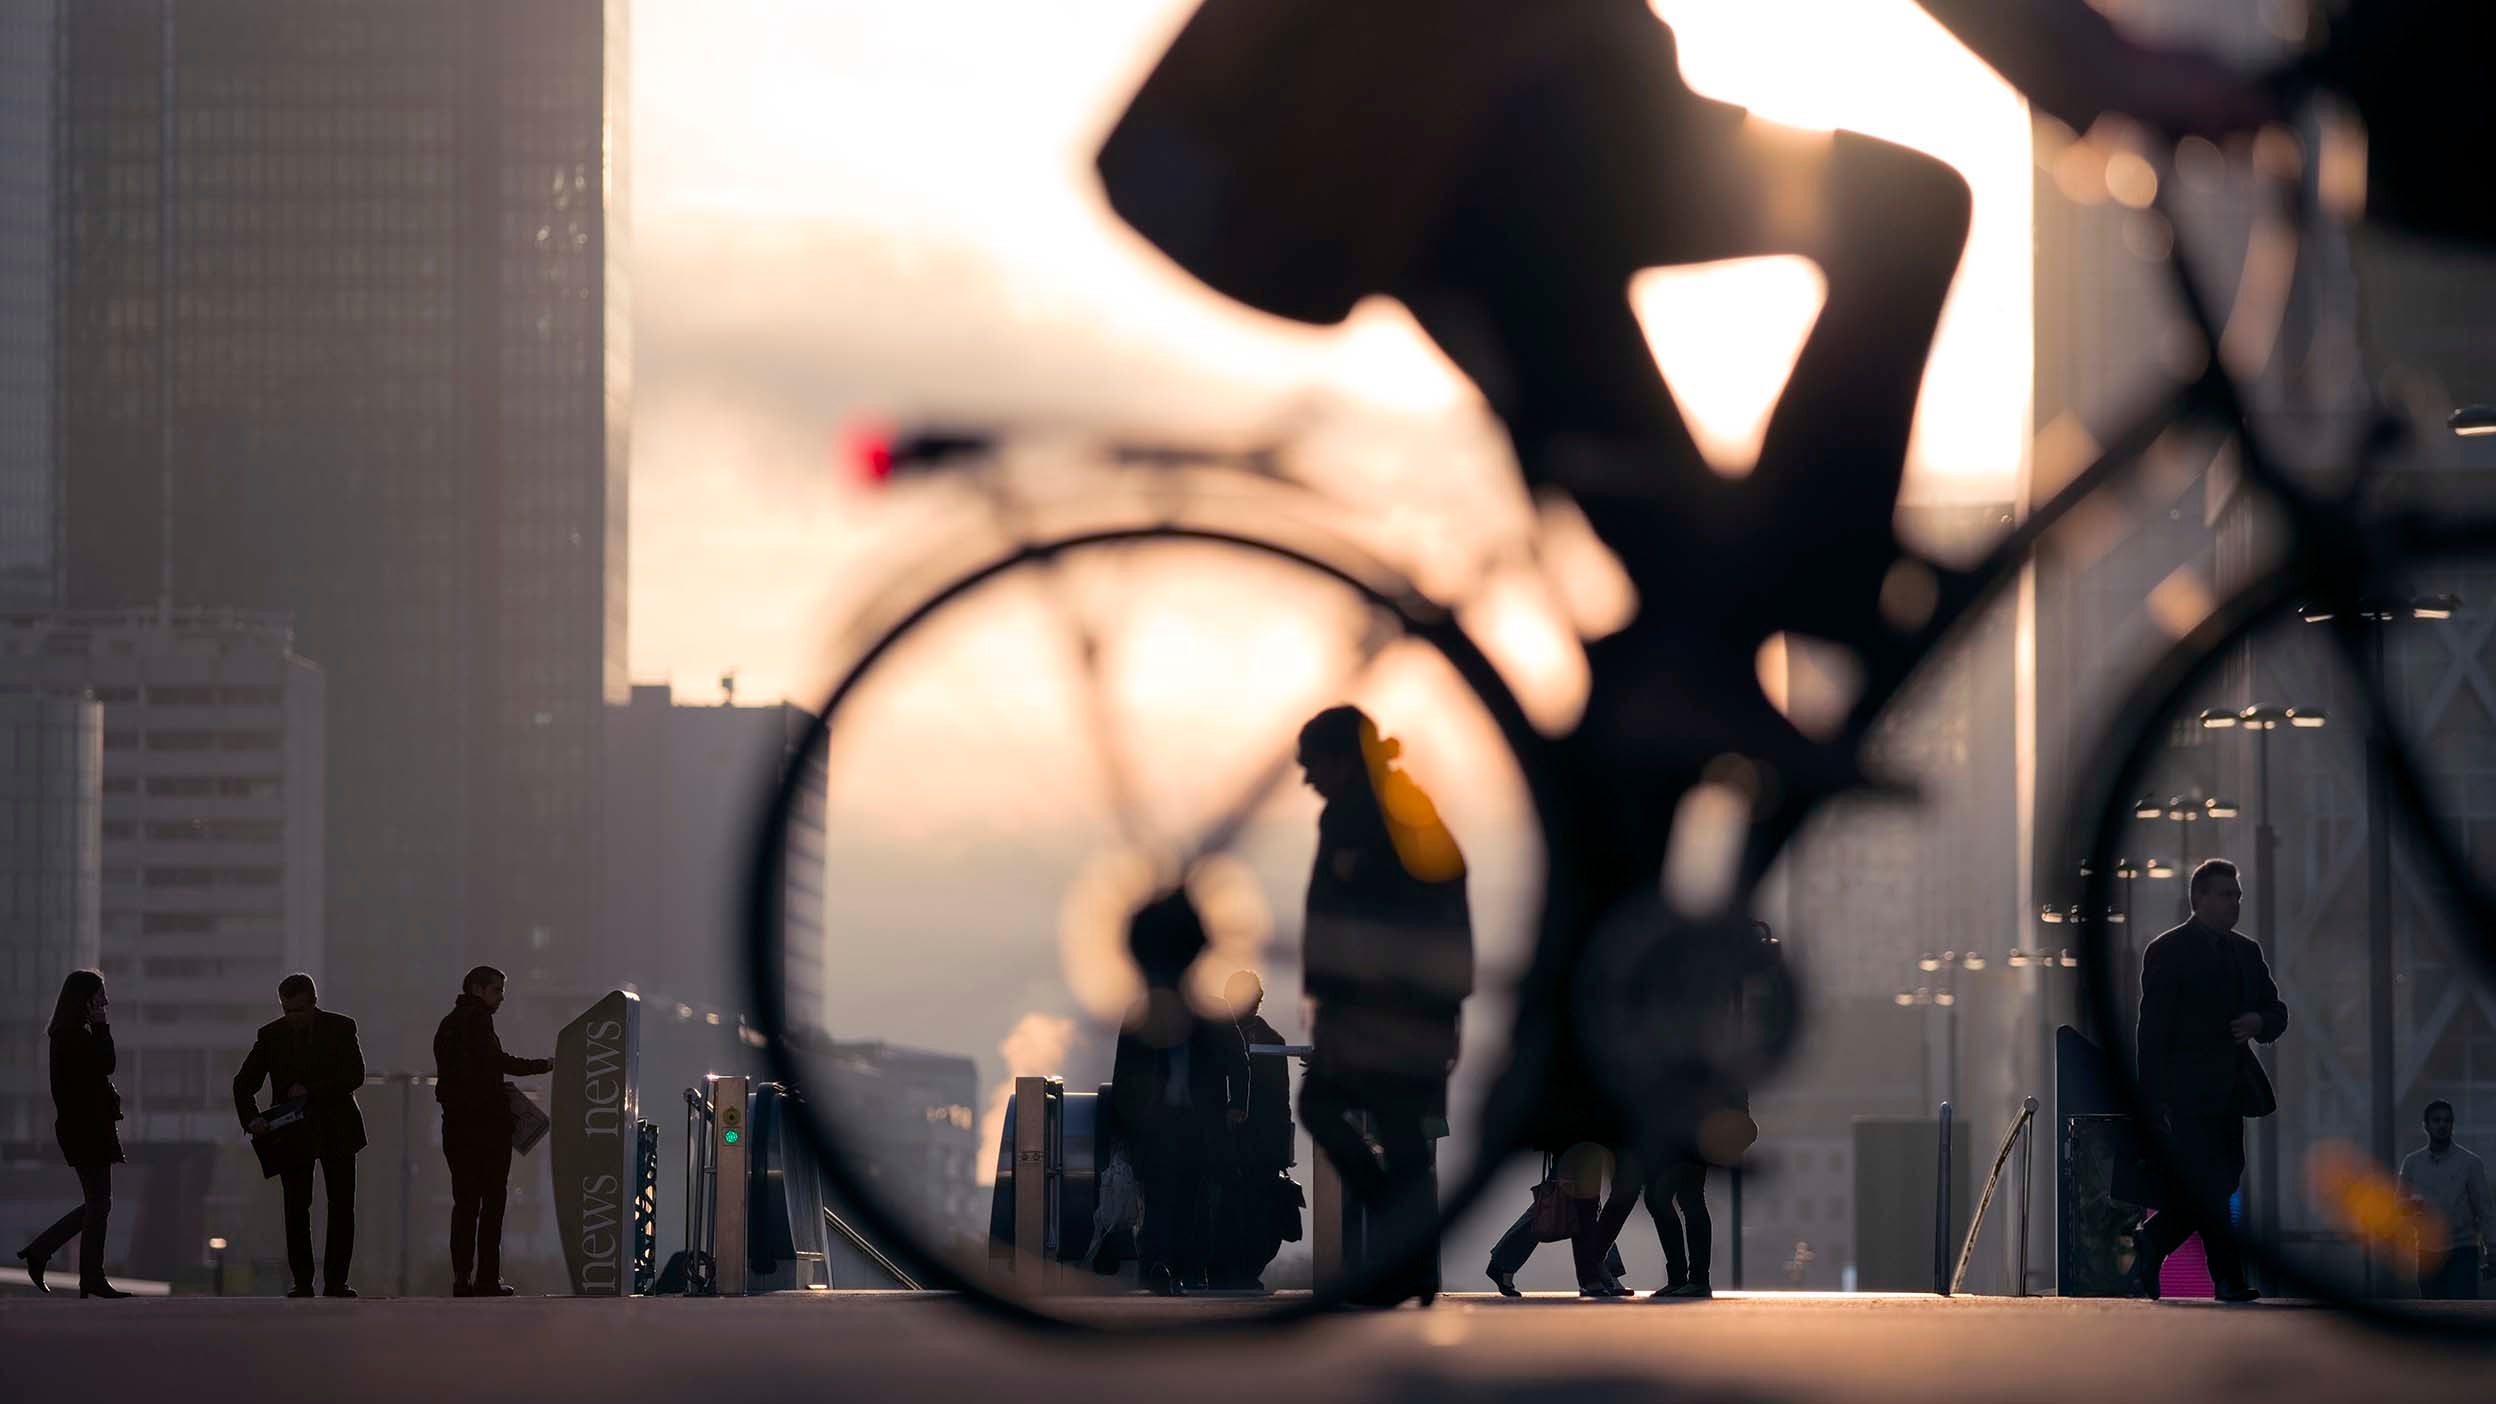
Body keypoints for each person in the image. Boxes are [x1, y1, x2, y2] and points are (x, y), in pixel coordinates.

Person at [1099, 0, 2276, 1174]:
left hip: (1461, 150)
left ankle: (1580, 1072)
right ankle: (1814, 593)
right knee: (1905, 211)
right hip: (1477, 139)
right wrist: (2096, 65)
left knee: (1683, 607)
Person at [1294, 704, 1472, 1305]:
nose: (1307, 779)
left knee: (1325, 1107)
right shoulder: (1403, 806)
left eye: (1312, 764)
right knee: (1403, 1138)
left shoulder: (1357, 817)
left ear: (1340, 760)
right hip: (1412, 1007)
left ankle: (1402, 1254)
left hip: (1377, 1008)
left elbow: (1342, 914)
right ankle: (1412, 1264)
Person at [2131, 858, 2287, 1303]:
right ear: (2197, 898)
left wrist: (2258, 1020)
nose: (2232, 904)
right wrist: (2151, 1097)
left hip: (2230, 1090)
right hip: (2185, 1091)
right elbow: (2152, 1030)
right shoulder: (2168, 950)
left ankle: (2154, 1241)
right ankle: (2227, 1278)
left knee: (2221, 1179)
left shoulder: (2246, 952)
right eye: (2223, 895)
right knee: (2211, 1181)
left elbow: (2277, 1011)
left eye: (2236, 896)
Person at [1108, 894, 1249, 1295]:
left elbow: (1238, 1063)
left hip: (1194, 1122)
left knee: (1189, 1198)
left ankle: (1180, 1269)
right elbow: (1126, 1075)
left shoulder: (1211, 1014)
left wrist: (1237, 1105)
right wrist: (1125, 1125)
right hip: (1159, 1123)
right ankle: (1159, 1269)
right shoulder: (1144, 1014)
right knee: (1163, 1198)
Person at [234, 973, 368, 1298]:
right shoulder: (271, 1036)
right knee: (296, 1208)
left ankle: (336, 1282)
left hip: (336, 1127)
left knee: (341, 1207)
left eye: (299, 1010)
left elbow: (355, 1074)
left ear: (313, 1003)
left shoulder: (341, 1027)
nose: (293, 1018)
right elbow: (243, 1083)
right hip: (293, 1133)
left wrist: (311, 1092)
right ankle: (304, 1281)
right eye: (287, 1011)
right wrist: (252, 1119)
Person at [433, 965, 553, 1297]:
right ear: (477, 989)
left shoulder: (447, 1026)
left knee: (464, 1203)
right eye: (496, 991)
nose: (501, 998)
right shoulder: (478, 1022)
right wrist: (543, 1065)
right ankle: (487, 1277)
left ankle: (461, 1276)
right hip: (485, 1129)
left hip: (456, 1126)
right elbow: (498, 1062)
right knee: (492, 1202)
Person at [15, 971, 131, 1297]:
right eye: (100, 996)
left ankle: (44, 1252)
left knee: (98, 1202)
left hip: (86, 1127)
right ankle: (88, 1275)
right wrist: (102, 1025)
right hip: (86, 1129)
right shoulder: (72, 1036)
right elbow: (106, 1063)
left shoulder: (70, 1034)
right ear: (86, 999)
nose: (105, 1002)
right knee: (100, 1202)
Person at [1212, 970, 1296, 1289]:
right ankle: (1240, 1272)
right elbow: (1282, 1102)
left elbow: (1280, 1102)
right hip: (1253, 1144)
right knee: (1248, 1208)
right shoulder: (1273, 1041)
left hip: (1244, 1143)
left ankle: (1233, 1270)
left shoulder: (1217, 1035)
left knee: (1238, 1207)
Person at [2396, 1100, 2492, 1301]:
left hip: (2462, 1249)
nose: (2442, 1125)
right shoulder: (2412, 1163)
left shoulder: (2470, 1163)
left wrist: (2491, 1248)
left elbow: (2484, 1210)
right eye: (2437, 1120)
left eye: (2447, 1120)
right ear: (2426, 1125)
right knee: (2431, 1312)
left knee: (2462, 1311)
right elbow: (2399, 1205)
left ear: (2452, 1125)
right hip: (2427, 1250)